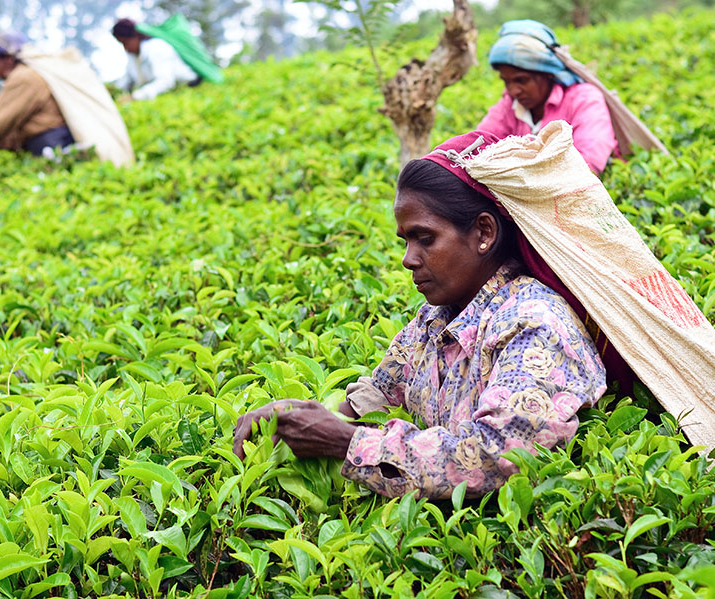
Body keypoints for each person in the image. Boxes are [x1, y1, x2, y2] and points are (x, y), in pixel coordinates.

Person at [233, 130, 608, 500]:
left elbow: (500, 455)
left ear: (484, 232)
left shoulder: (534, 323)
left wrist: (347, 442)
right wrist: (291, 417)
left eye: (425, 239)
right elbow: (378, 396)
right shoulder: (437, 318)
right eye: (406, 241)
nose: (408, 259)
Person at [477, 20, 619, 174]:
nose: (513, 91)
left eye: (521, 80)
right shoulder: (509, 104)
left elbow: (588, 163)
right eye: (506, 81)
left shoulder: (584, 99)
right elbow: (479, 146)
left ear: (547, 74)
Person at [112, 18, 202, 101]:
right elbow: (126, 81)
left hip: (189, 87)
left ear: (135, 36)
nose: (125, 48)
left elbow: (166, 82)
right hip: (166, 95)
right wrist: (114, 89)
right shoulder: (133, 57)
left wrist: (135, 97)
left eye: (126, 42)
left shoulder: (156, 47)